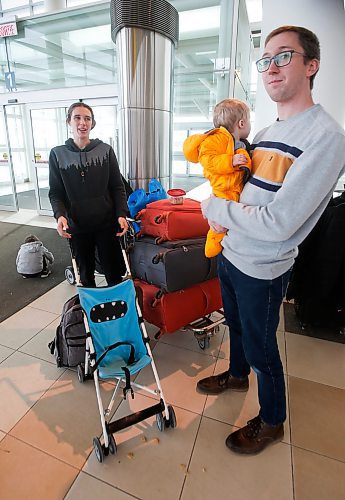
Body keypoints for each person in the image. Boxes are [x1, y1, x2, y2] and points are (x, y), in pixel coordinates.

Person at [197, 25, 345, 455]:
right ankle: (236, 374)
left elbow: (278, 223)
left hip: (263, 267)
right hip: (230, 254)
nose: (271, 68)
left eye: (284, 56)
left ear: (311, 65)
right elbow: (242, 192)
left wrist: (215, 209)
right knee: (238, 328)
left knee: (265, 351)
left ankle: (272, 420)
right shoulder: (261, 136)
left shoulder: (327, 139)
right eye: (266, 60)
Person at [48, 102, 128, 287]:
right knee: (85, 276)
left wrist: (121, 214)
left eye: (87, 118)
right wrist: (60, 215)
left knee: (113, 272)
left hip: (106, 223)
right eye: (77, 118)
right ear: (68, 121)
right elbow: (56, 192)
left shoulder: (105, 150)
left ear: (92, 123)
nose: (82, 123)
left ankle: (117, 312)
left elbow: (117, 186)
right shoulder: (58, 154)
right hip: (77, 225)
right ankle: (90, 314)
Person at [183, 98, 252, 257]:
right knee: (219, 223)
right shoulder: (216, 138)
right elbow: (208, 160)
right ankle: (212, 243)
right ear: (241, 123)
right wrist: (230, 161)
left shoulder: (239, 143)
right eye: (249, 122)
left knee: (226, 218)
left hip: (233, 187)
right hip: (223, 187)